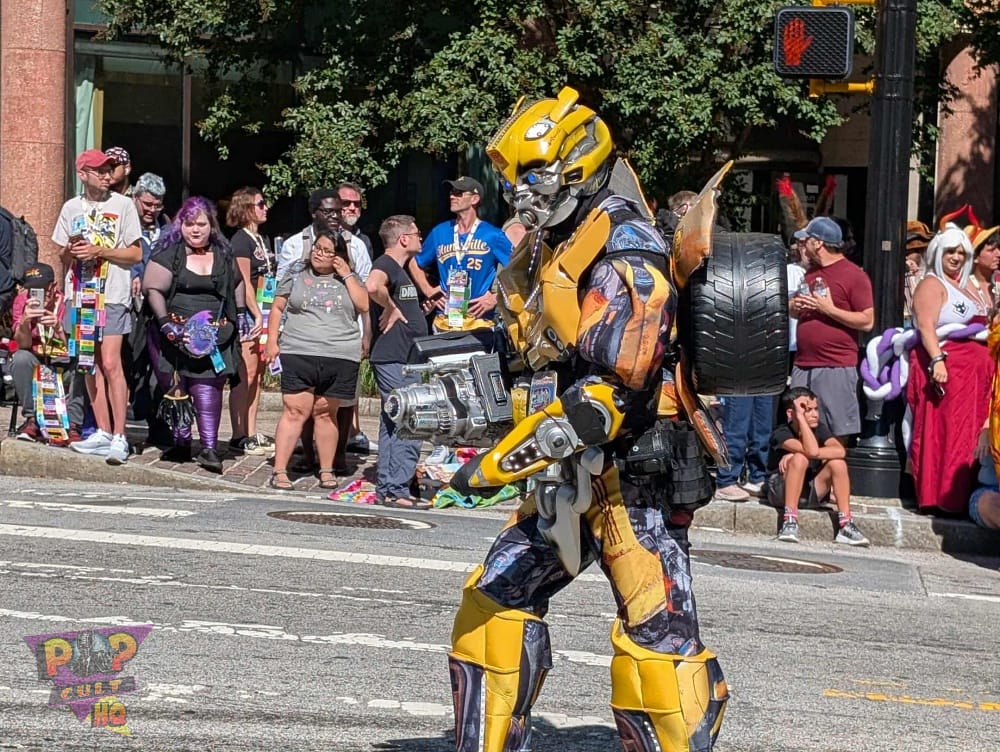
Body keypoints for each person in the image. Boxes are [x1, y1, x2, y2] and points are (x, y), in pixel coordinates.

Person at [445, 87, 727, 752]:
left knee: (659, 649)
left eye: (534, 177)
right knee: (493, 608)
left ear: (578, 164)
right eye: (516, 180)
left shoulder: (627, 248)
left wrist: (499, 461)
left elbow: (612, 395)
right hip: (571, 475)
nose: (522, 193)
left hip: (635, 474)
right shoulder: (560, 239)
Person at [142, 196, 245, 473]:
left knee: (207, 388)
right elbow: (153, 289)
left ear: (211, 225)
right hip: (174, 332)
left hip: (214, 335)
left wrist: (243, 314)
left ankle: (210, 448)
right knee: (177, 388)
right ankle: (181, 442)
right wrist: (166, 324)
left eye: (201, 224)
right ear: (181, 225)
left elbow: (237, 284)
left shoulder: (224, 255)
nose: (195, 230)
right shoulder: (168, 254)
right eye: (189, 224)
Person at [53, 149, 142, 464]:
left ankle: (120, 434)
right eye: (99, 170)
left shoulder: (123, 206)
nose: (106, 175)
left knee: (111, 362)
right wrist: (71, 251)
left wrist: (100, 251)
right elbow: (62, 258)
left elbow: (135, 254)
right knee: (87, 363)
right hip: (79, 293)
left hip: (112, 293)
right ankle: (102, 430)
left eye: (109, 169)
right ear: (83, 174)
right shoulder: (70, 208)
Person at [265, 227, 369, 490]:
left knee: (326, 413)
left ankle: (326, 469)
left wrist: (345, 274)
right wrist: (272, 342)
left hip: (339, 353)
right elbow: (278, 307)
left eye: (327, 251)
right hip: (299, 349)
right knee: (294, 411)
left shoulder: (350, 277)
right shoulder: (296, 272)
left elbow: (364, 305)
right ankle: (279, 470)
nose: (319, 254)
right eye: (317, 248)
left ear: (339, 255)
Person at [908, 224, 995, 515]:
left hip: (975, 376)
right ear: (937, 252)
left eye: (961, 252)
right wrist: (937, 361)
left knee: (968, 435)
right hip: (950, 372)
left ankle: (960, 495)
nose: (956, 257)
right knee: (946, 433)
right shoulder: (932, 284)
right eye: (950, 251)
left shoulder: (960, 286)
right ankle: (942, 497)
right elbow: (925, 326)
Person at [788, 215, 874, 441]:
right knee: (800, 428)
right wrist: (794, 306)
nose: (802, 246)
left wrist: (828, 309)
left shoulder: (855, 276)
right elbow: (797, 308)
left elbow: (867, 321)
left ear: (818, 243)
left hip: (835, 365)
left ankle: (832, 475)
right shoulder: (810, 274)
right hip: (803, 364)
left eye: (805, 240)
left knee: (835, 433)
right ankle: (810, 476)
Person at [365, 215, 429, 508]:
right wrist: (390, 307)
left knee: (393, 422)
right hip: (393, 358)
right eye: (417, 234)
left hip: (403, 357)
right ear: (403, 239)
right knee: (410, 417)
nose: (420, 238)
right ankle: (397, 490)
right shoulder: (386, 264)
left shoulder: (402, 271)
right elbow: (372, 286)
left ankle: (389, 488)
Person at [766, 387, 869, 546]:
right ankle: (789, 521)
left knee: (838, 463)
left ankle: (845, 525)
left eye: (816, 409)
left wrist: (808, 453)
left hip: (810, 491)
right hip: (781, 491)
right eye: (807, 410)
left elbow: (839, 451)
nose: (815, 414)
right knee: (800, 459)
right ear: (790, 414)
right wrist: (800, 419)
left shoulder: (819, 429)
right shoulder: (781, 432)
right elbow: (811, 451)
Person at [408, 176, 512, 332]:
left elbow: (520, 268)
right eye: (451, 192)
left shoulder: (493, 235)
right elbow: (414, 262)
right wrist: (428, 290)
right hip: (444, 320)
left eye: (459, 193)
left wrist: (496, 298)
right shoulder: (440, 232)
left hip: (479, 322)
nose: (452, 196)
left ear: (475, 199)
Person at [9, 263, 84, 444]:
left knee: (83, 363)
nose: (38, 294)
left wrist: (58, 328)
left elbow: (74, 350)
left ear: (53, 286)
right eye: (33, 290)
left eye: (42, 289)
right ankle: (32, 419)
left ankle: (73, 424)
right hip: (36, 358)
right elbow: (22, 345)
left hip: (62, 361)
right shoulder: (21, 301)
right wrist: (25, 322)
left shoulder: (67, 303)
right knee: (20, 359)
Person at [225, 187, 270, 456]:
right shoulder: (240, 241)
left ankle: (251, 430)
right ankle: (238, 432)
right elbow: (244, 282)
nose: (265, 208)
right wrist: (255, 314)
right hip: (250, 314)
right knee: (246, 374)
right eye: (260, 204)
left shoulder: (258, 239)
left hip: (263, 311)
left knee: (258, 375)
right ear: (246, 208)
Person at [336, 181, 377, 460]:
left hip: (352, 321)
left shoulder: (361, 244)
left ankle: (353, 431)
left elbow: (367, 288)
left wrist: (367, 331)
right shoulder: (315, 239)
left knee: (352, 382)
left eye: (356, 203)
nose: (352, 208)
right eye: (345, 203)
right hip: (324, 322)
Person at [713, 394, 775, 501]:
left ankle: (759, 477)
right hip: (738, 380)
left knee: (763, 430)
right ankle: (726, 482)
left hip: (765, 380)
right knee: (736, 430)